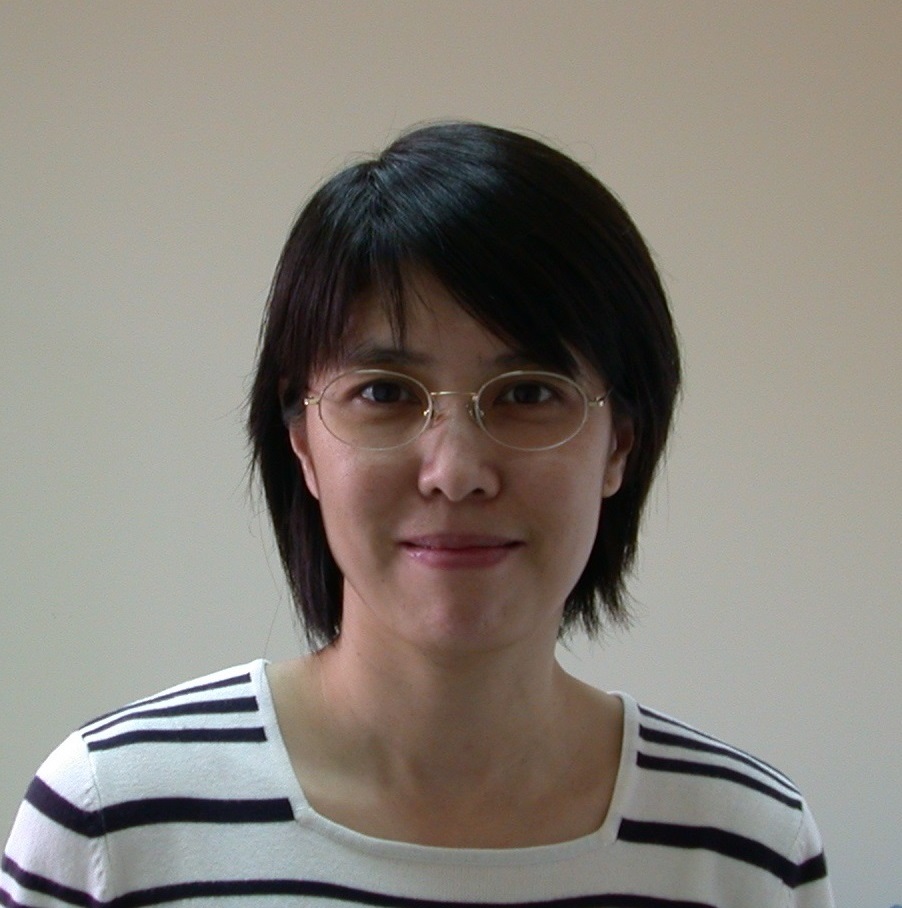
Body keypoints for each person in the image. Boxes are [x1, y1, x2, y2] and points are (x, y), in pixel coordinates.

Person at [1, 122, 834, 906]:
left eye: (528, 394)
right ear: (301, 440)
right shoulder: (113, 818)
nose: (456, 471)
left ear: (620, 443)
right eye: (384, 394)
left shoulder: (746, 849)